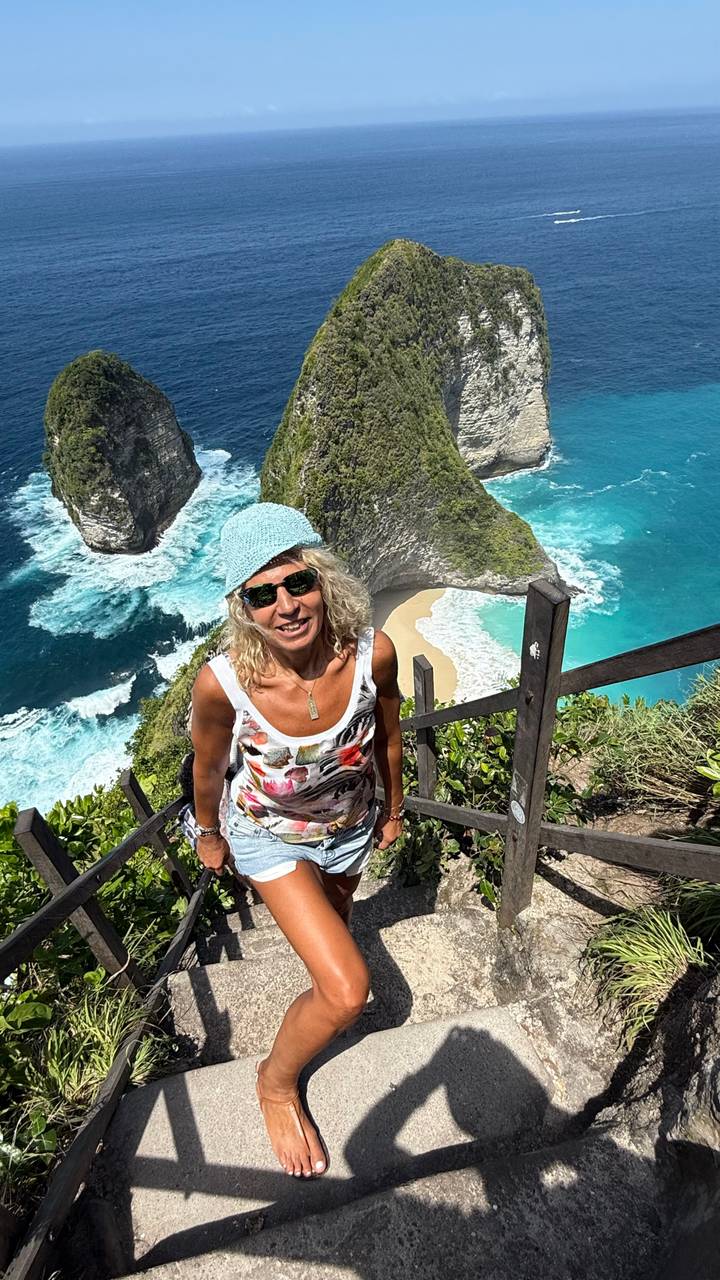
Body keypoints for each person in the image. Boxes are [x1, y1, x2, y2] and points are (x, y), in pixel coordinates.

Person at [190, 502, 404, 1180]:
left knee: (333, 941)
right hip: (269, 833)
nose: (285, 604)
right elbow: (204, 767)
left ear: (322, 582)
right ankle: (275, 1083)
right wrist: (208, 831)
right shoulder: (223, 684)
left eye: (297, 583)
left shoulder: (372, 653)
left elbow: (390, 736)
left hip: (350, 826)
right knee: (346, 991)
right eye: (263, 593)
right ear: (244, 609)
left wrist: (394, 809)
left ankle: (311, 1005)